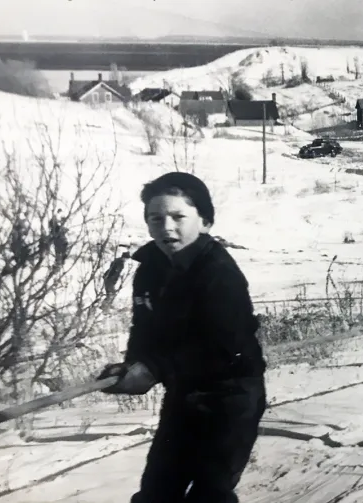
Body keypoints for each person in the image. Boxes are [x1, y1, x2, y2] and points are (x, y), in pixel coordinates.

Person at [95, 172, 267, 503]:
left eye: (178, 217)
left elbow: (221, 347)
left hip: (231, 397)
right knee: (158, 490)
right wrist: (132, 365)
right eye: (155, 219)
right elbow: (143, 327)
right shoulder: (150, 268)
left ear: (205, 221)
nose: (166, 227)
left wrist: (153, 369)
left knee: (210, 491)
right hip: (183, 392)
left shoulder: (218, 272)